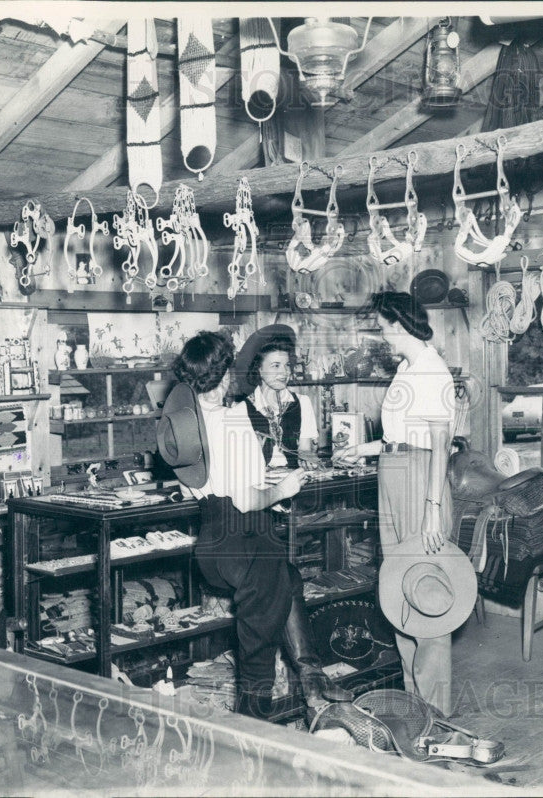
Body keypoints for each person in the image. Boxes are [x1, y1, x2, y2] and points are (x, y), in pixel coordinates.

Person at [158, 331, 349, 721]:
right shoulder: (236, 420)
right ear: (225, 374)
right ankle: (252, 735)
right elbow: (247, 500)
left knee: (290, 580)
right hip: (249, 540)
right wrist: (283, 487)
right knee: (257, 658)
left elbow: (193, 484)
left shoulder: (186, 423)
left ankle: (311, 677)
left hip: (212, 543)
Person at [334, 292, 459, 715]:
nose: (384, 338)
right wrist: (363, 450)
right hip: (395, 472)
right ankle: (413, 707)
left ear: (402, 326)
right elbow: (401, 435)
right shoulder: (408, 368)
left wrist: (432, 510)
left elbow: (440, 446)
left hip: (422, 481)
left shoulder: (432, 370)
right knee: (399, 594)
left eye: (386, 328)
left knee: (429, 597)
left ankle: (435, 716)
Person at [234, 324, 320, 469]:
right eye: (275, 366)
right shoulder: (241, 410)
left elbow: (305, 450)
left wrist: (308, 459)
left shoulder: (302, 403)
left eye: (287, 365)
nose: (284, 372)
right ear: (259, 370)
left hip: (296, 483)